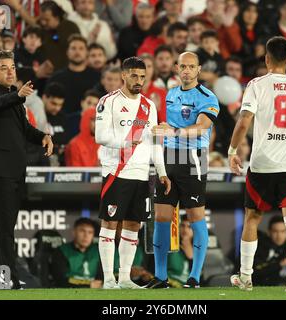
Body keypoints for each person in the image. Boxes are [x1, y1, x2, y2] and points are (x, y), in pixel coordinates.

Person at [228, 36, 286, 292]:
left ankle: (245, 277)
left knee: (253, 217)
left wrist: (232, 150)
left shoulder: (256, 85)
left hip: (262, 163)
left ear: (266, 58)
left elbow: (244, 122)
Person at [0, 50, 53, 290]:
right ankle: (9, 280)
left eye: (12, 67)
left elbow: (25, 129)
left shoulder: (13, 96)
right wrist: (18, 96)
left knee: (2, 228)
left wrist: (44, 136)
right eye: (4, 68)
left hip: (15, 170)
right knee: (5, 231)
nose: (11, 71)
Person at [95, 56, 170, 289]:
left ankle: (125, 278)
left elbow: (155, 141)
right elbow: (100, 136)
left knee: (133, 225)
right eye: (135, 76)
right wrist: (126, 143)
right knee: (109, 223)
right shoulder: (108, 102)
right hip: (116, 171)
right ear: (124, 75)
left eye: (142, 76)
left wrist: (162, 171)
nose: (139, 80)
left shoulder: (149, 106)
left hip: (141, 174)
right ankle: (108, 279)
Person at [150, 51, 220, 289]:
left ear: (199, 69)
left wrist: (175, 132)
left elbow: (202, 127)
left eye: (191, 66)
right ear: (177, 69)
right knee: (161, 216)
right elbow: (168, 127)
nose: (187, 70)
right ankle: (160, 277)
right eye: (183, 66)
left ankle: (195, 277)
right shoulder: (171, 94)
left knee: (195, 216)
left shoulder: (207, 96)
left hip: (193, 159)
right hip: (169, 157)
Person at [47, 34, 100, 115]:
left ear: (87, 53)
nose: (77, 52)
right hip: (61, 123)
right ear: (67, 52)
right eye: (73, 48)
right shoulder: (56, 78)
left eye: (81, 48)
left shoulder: (97, 77)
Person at [50, 218, 102, 288]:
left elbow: (100, 280)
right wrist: (87, 286)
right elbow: (60, 280)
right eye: (82, 231)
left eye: (90, 232)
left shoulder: (98, 252)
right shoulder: (61, 251)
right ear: (74, 232)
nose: (86, 236)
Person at [252, 216, 286, 286]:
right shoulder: (259, 247)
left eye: (283, 231)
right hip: (260, 287)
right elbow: (254, 272)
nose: (279, 236)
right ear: (269, 232)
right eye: (275, 231)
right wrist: (279, 264)